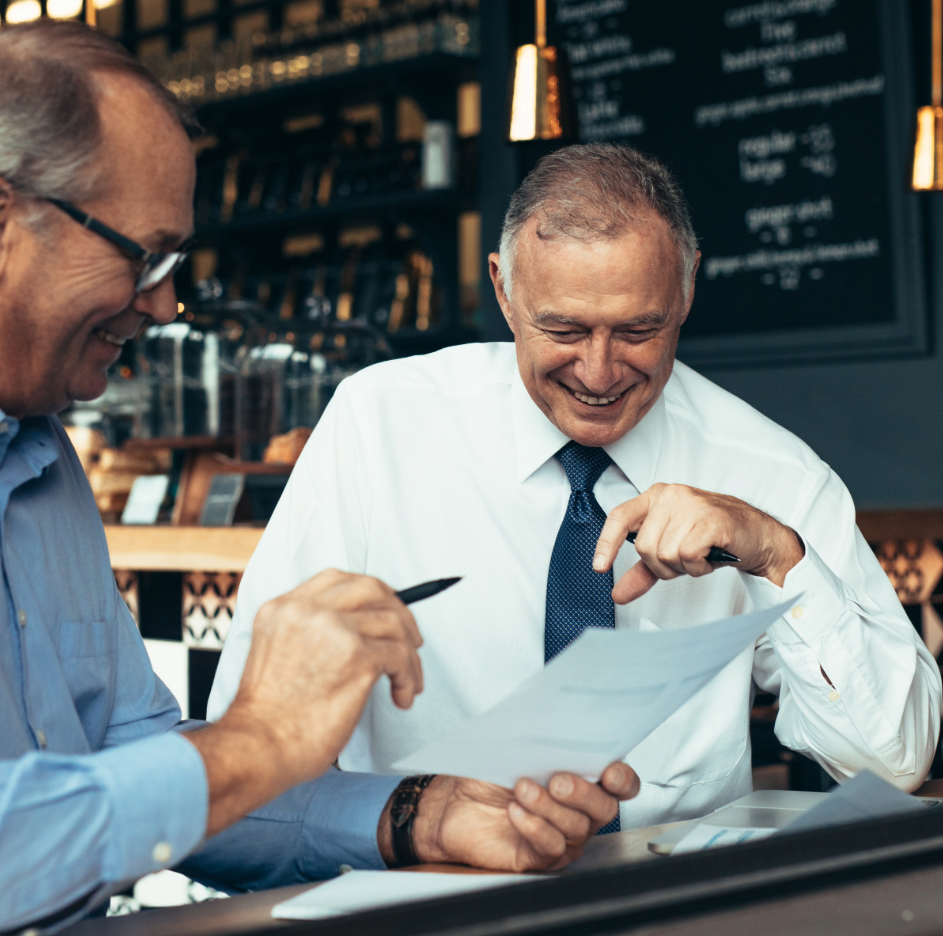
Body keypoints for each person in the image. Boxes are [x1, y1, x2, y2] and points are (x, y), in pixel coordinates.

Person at [0, 22, 637, 936]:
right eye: (143, 256)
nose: (162, 304)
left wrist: (415, 816)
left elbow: (137, 757)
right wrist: (257, 740)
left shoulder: (35, 444)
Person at [210, 142, 942, 848]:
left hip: (674, 903)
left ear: (686, 290)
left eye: (638, 330)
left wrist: (779, 555)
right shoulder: (379, 425)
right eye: (562, 328)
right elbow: (251, 734)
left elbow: (894, 763)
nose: (598, 372)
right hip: (429, 891)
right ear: (502, 288)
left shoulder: (773, 471)